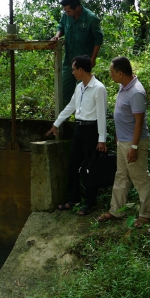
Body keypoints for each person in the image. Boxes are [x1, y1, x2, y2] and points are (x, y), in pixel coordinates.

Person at [97, 56, 150, 228]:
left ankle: (146, 214)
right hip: (123, 141)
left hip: (133, 143)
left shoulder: (136, 92)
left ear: (120, 73)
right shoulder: (124, 87)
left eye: (112, 72)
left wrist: (134, 146)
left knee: (140, 177)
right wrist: (118, 135)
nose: (110, 74)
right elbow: (123, 116)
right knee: (121, 175)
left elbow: (139, 122)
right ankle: (116, 210)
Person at [46, 54, 107, 215]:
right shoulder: (79, 87)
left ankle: (90, 202)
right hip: (79, 129)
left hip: (92, 130)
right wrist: (56, 123)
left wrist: (102, 139)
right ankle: (73, 198)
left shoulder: (99, 88)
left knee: (90, 167)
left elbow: (101, 115)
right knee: (72, 164)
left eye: (74, 69)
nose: (72, 72)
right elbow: (71, 106)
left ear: (81, 70)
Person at [50, 0, 104, 107]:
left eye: (68, 11)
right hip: (68, 62)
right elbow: (61, 26)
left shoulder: (91, 18)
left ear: (77, 8)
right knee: (64, 92)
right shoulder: (66, 15)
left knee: (84, 93)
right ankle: (64, 121)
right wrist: (57, 36)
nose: (66, 13)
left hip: (83, 64)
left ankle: (83, 119)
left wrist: (92, 59)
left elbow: (98, 39)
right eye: (65, 11)